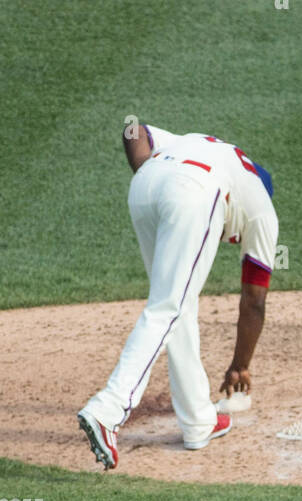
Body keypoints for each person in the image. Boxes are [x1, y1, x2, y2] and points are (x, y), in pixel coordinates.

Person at [77, 119, 278, 469]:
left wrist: (147, 174)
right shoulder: (262, 208)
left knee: (177, 304)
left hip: (145, 188)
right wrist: (240, 365)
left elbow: (132, 127)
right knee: (168, 307)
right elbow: (254, 301)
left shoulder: (199, 143)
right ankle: (107, 410)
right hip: (195, 192)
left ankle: (198, 420)